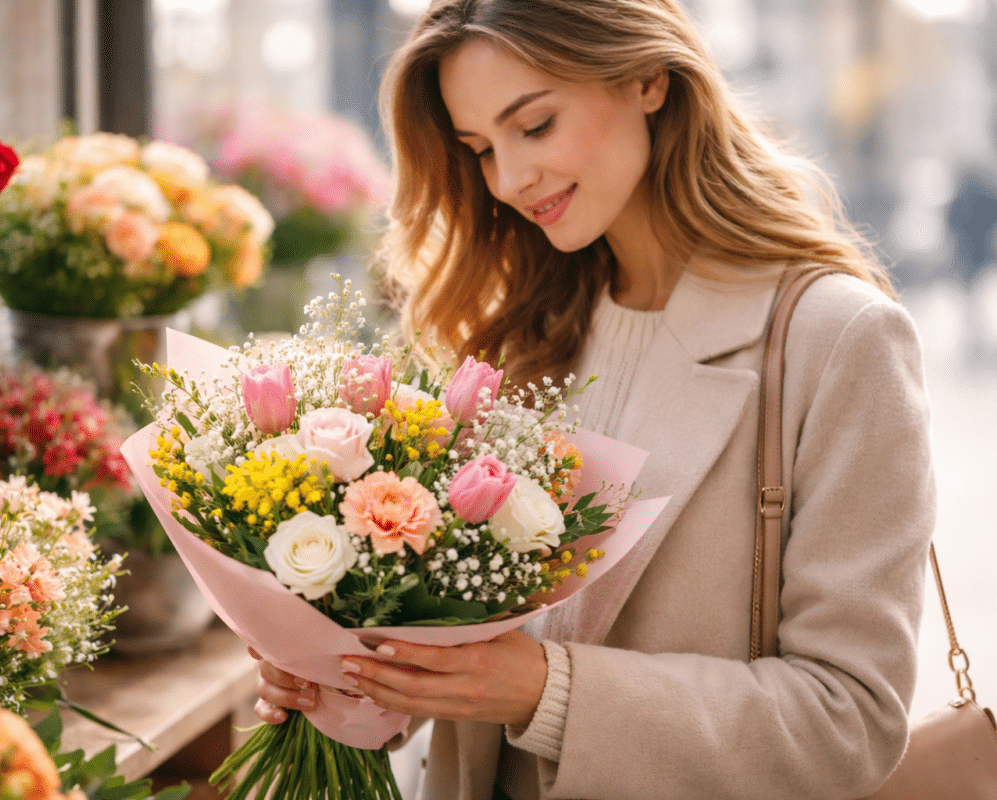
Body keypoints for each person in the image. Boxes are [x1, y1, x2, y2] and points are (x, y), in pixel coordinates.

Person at [251, 1, 936, 798]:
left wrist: (547, 691)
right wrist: (353, 674)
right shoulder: (515, 332)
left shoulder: (837, 340)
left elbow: (849, 719)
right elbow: (471, 643)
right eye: (480, 150)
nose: (509, 180)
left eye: (534, 125)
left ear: (648, 78)